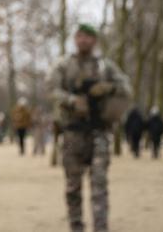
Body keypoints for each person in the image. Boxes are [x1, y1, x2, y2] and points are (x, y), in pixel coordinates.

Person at [54, 24, 132, 232]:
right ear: (74, 39)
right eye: (80, 36)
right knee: (73, 188)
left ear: (95, 41)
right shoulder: (64, 65)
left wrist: (109, 87)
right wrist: (71, 101)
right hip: (73, 133)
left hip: (100, 132)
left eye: (88, 36)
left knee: (99, 186)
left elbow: (126, 87)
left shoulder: (106, 66)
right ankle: (76, 227)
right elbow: (51, 90)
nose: (83, 40)